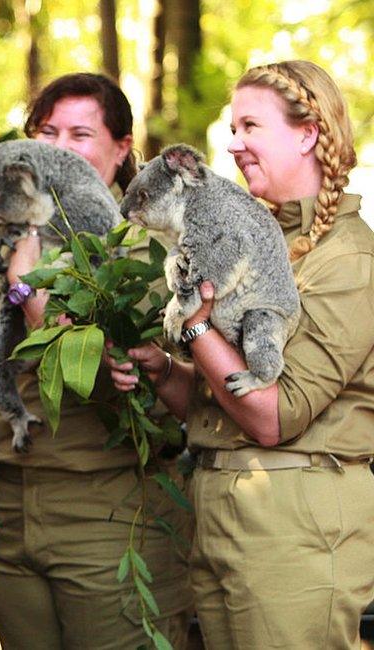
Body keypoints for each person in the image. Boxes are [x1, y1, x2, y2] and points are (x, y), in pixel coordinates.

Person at [109, 60, 374, 649]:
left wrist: (197, 327)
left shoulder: (349, 261)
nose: (233, 144)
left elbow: (272, 416)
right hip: (220, 512)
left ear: (307, 134)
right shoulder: (249, 233)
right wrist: (163, 370)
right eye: (233, 128)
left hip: (294, 528)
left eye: (250, 126)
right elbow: (213, 405)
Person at [0, 73, 192, 649]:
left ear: (122, 149)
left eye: (80, 134)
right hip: (6, 516)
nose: (57, 149)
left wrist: (31, 294)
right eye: (45, 131)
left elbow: (132, 384)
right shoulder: (4, 247)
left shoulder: (148, 251)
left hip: (110, 515)